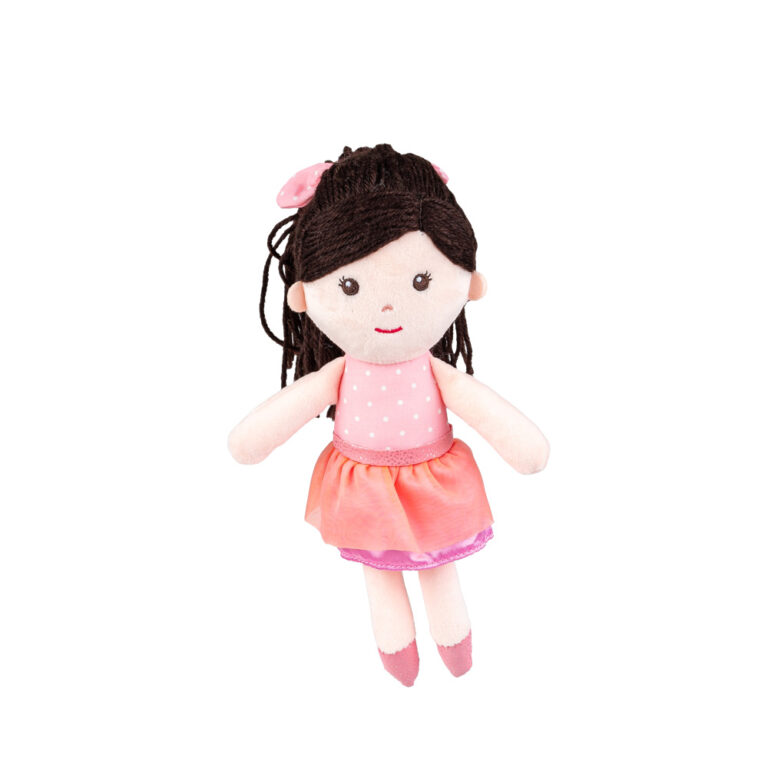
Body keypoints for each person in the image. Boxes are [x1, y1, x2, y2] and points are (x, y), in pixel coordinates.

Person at [228, 144, 549, 686]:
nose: (387, 308)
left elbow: (481, 406)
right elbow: (273, 421)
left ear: (469, 282)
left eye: (422, 281)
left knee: (438, 566)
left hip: (431, 478)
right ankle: (398, 653)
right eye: (349, 286)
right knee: (379, 571)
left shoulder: (436, 372)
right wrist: (250, 441)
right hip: (363, 486)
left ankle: (455, 647)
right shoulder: (339, 372)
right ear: (303, 295)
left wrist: (525, 449)